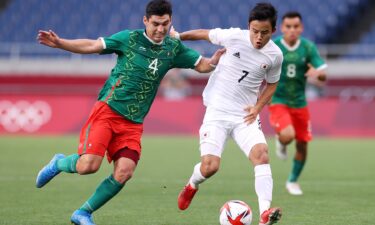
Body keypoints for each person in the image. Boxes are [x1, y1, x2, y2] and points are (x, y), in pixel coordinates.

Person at [35, 1, 225, 225]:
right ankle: (58, 163)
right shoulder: (129, 38)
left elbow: (201, 65)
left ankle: (83, 213)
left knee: (124, 171)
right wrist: (61, 44)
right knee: (88, 166)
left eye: (165, 24)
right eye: (155, 24)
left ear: (170, 22)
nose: (160, 29)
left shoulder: (173, 48)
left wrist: (213, 62)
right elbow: (93, 45)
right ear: (145, 21)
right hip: (108, 110)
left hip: (133, 122)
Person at [170, 3, 283, 225]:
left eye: (265, 33)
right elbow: (204, 34)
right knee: (210, 167)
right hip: (217, 112)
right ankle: (192, 184)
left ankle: (264, 214)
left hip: (245, 116)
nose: (258, 37)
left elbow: (272, 84)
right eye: (255, 31)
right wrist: (178, 36)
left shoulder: (275, 56)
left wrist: (258, 107)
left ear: (273, 31)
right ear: (248, 27)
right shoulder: (233, 36)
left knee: (261, 154)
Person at [269, 12, 327, 196]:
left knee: (302, 146)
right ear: (282, 28)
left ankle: (292, 181)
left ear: (301, 28)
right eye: (288, 26)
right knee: (288, 135)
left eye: (296, 26)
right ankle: (281, 140)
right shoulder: (274, 45)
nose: (292, 30)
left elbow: (322, 74)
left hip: (300, 104)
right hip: (278, 100)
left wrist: (317, 74)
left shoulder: (308, 47)